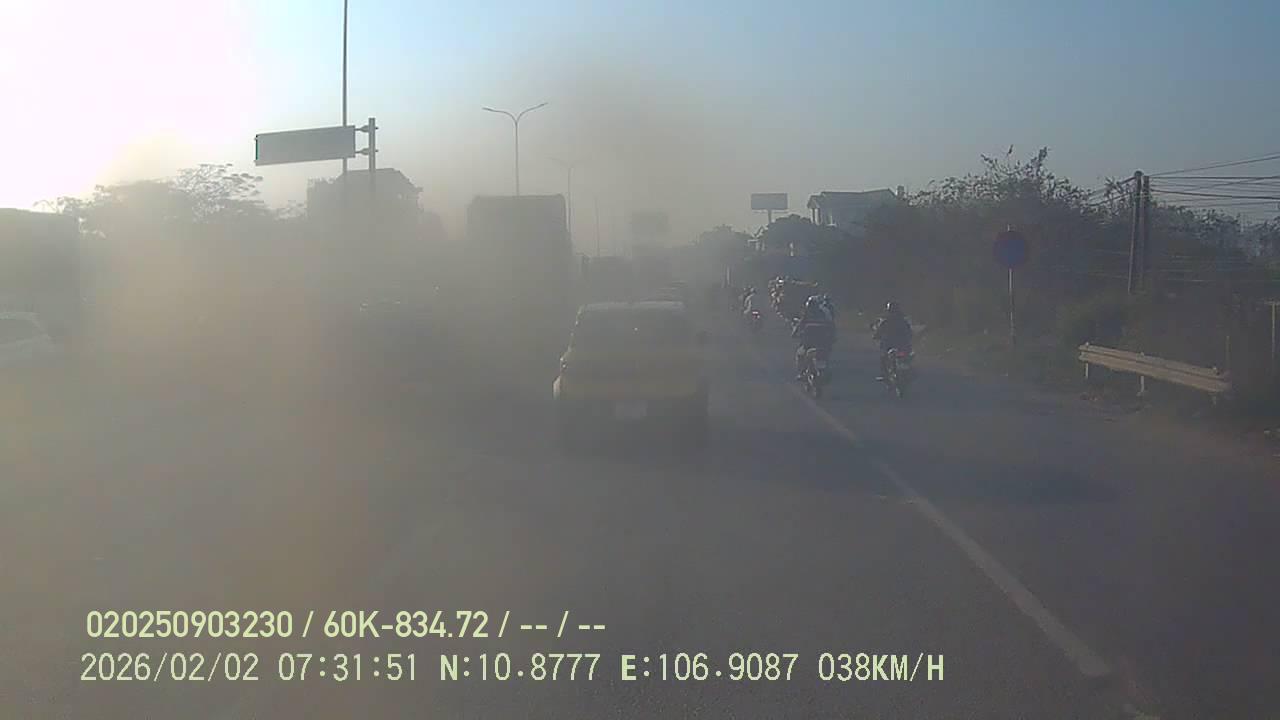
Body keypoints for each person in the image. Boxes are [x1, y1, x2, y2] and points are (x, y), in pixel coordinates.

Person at [792, 295, 836, 379]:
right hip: (821, 342)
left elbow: (800, 325)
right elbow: (831, 326)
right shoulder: (824, 313)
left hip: (811, 342)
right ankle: (804, 372)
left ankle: (801, 372)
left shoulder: (807, 314)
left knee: (800, 354)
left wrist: (795, 333)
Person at [872, 301, 913, 380]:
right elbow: (909, 332)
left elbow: (879, 332)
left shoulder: (886, 321)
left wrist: (876, 336)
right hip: (901, 344)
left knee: (884, 356)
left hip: (890, 344)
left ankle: (884, 374)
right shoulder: (903, 320)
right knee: (886, 356)